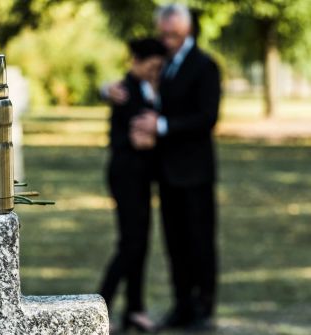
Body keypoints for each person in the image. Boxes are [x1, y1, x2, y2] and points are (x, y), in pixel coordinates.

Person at [104, 4, 222, 331]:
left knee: (200, 241)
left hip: (195, 172)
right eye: (164, 33)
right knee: (174, 244)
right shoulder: (160, 64)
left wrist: (163, 126)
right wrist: (105, 90)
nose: (168, 40)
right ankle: (182, 303)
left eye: (174, 34)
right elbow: (129, 83)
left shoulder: (205, 66)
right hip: (164, 174)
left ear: (188, 31)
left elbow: (207, 117)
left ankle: (203, 307)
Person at [98, 38, 167, 333]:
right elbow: (117, 138)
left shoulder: (149, 88)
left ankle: (135, 309)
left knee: (141, 242)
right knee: (130, 244)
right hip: (125, 175)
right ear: (137, 62)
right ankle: (101, 304)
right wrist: (137, 141)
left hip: (142, 178)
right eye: (151, 66)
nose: (155, 72)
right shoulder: (123, 90)